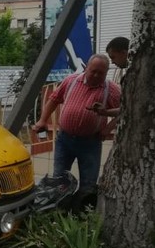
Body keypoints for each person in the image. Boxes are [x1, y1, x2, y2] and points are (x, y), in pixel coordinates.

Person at [33, 54, 121, 190]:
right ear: (86, 68)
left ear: (106, 72)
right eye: (94, 71)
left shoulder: (111, 90)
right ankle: (59, 209)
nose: (97, 75)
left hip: (90, 142)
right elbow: (54, 99)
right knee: (59, 180)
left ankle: (83, 210)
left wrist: (108, 128)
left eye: (101, 73)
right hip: (64, 139)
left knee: (88, 183)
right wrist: (42, 120)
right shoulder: (71, 81)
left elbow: (125, 110)